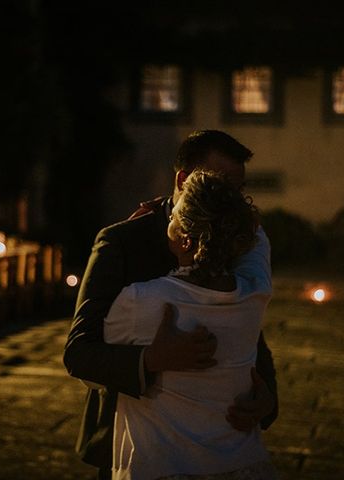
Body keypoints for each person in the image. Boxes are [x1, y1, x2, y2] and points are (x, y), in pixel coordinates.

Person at [63, 130, 278, 478]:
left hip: (221, 434)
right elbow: (80, 352)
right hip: (135, 436)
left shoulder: (239, 236)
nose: (230, 200)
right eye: (220, 183)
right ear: (183, 179)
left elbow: (246, 316)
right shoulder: (123, 239)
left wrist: (266, 395)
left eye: (237, 191)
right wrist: (149, 359)